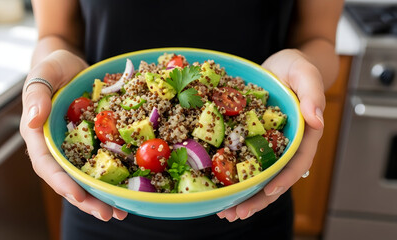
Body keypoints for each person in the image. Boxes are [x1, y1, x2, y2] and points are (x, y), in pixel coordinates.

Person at [20, 0, 343, 239]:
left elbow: (320, 40)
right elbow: (54, 34)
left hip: (252, 206)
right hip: (102, 211)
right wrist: (46, 75)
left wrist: (302, 68)